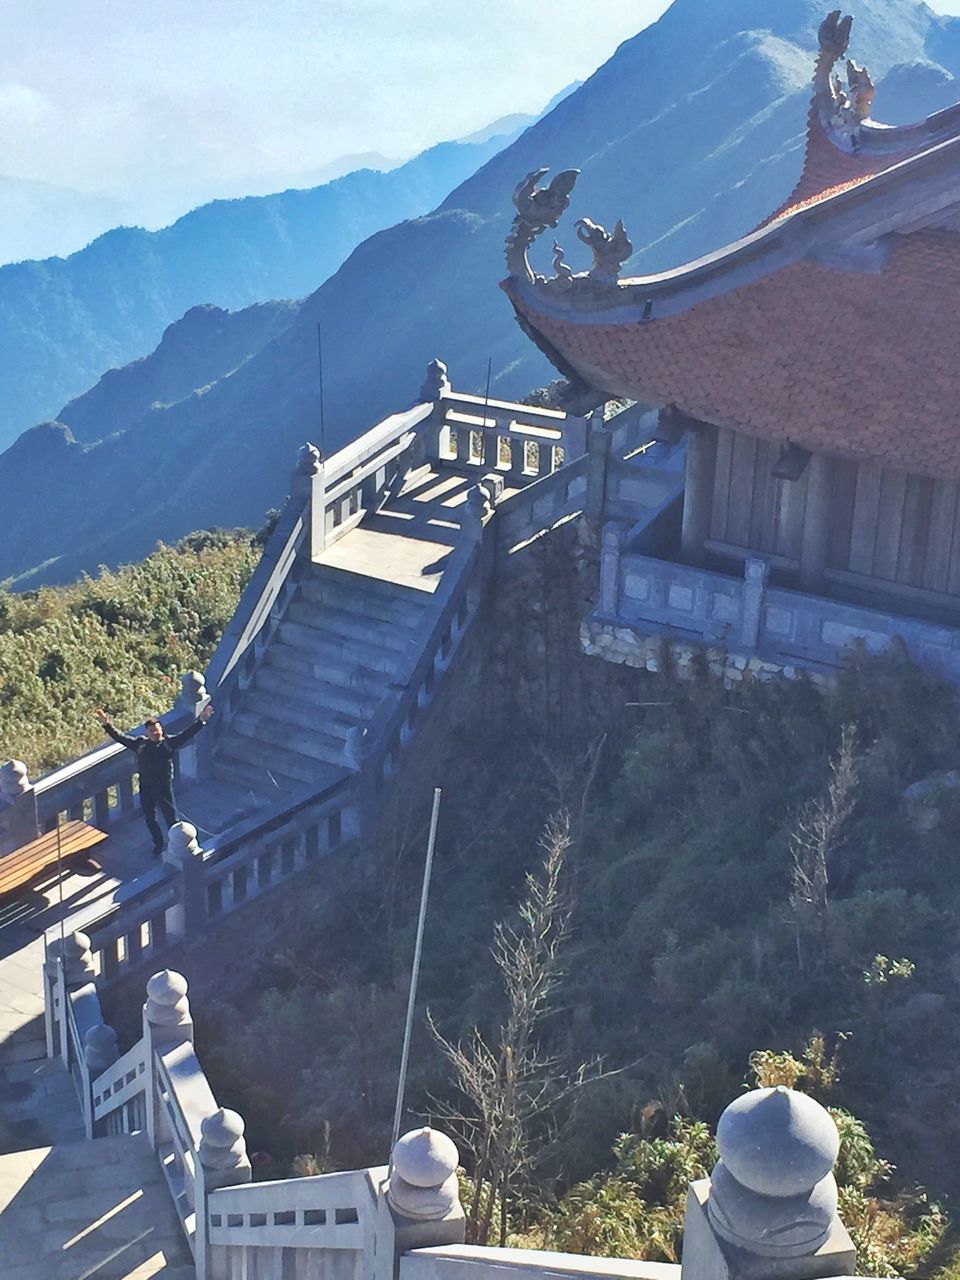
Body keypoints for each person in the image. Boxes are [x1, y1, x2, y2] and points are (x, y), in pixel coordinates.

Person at [94, 705, 214, 855]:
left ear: (161, 730)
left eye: (157, 730)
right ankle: (158, 844)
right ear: (147, 732)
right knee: (150, 818)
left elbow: (186, 734)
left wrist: (201, 721)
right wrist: (107, 724)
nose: (155, 733)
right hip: (146, 786)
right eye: (152, 731)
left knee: (171, 820)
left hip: (163, 787)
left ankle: (176, 845)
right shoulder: (141, 745)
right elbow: (121, 738)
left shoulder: (168, 743)